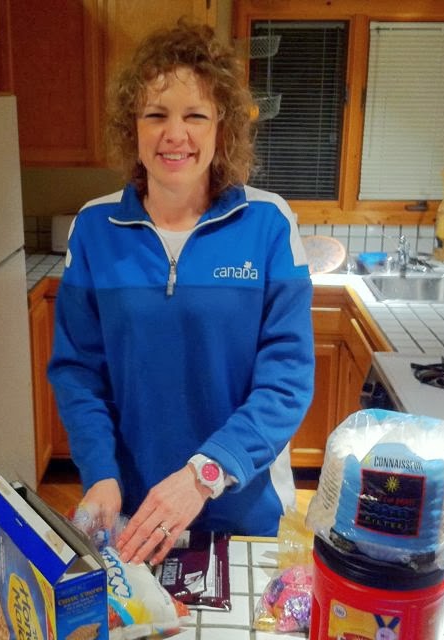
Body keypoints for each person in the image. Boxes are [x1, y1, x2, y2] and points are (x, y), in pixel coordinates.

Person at [47, 21, 314, 566]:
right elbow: (78, 373)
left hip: (244, 513)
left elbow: (286, 381)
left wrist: (202, 475)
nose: (175, 134)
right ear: (132, 127)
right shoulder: (95, 228)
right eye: (156, 115)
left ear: (222, 127)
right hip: (133, 516)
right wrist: (100, 473)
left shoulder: (268, 223)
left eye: (195, 115)